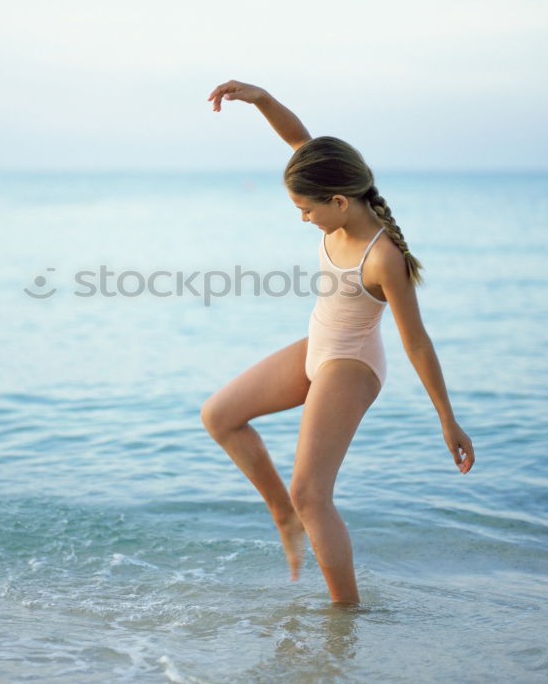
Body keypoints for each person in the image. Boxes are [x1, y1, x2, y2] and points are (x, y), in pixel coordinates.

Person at [200, 79, 475, 606]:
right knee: (220, 416)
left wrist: (447, 418)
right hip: (317, 347)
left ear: (341, 202)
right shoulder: (330, 184)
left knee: (312, 492)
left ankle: (345, 612)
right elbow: (298, 138)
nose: (304, 218)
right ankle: (283, 515)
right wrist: (258, 99)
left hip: (351, 364)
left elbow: (416, 342)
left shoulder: (381, 258)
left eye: (307, 210)